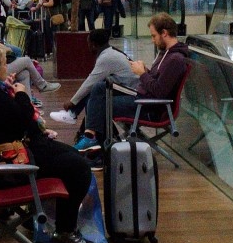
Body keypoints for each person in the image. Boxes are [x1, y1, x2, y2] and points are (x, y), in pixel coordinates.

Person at [0, 42, 94, 243]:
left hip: (10, 153)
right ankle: (65, 231)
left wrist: (10, 91)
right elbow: (23, 119)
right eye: (5, 65)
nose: (8, 68)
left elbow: (11, 120)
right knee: (80, 168)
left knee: (72, 155)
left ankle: (36, 218)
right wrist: (21, 94)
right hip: (12, 165)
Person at [80, 12, 191, 152]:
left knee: (101, 105)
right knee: (99, 88)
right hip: (142, 97)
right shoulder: (167, 54)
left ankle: (95, 144)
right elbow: (158, 81)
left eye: (154, 36)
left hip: (148, 107)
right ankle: (91, 137)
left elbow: (160, 91)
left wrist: (142, 73)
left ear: (164, 33)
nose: (152, 40)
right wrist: (146, 71)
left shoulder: (175, 59)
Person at [49, 27, 136, 128]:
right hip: (127, 88)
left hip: (130, 92)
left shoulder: (106, 58)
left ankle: (85, 126)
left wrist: (72, 102)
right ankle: (76, 118)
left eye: (89, 44)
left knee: (92, 96)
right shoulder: (111, 52)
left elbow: (89, 82)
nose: (88, 47)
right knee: (95, 90)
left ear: (94, 45)